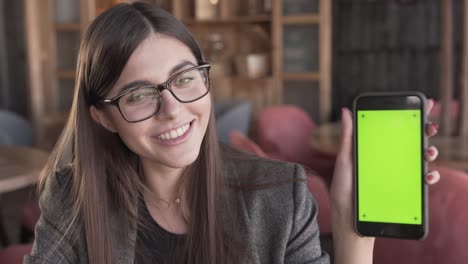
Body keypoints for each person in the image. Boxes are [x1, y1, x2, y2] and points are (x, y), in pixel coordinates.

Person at [24, 3, 440, 264]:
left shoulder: (282, 198)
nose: (173, 110)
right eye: (139, 94)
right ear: (102, 117)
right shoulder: (72, 196)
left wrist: (352, 233)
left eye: (184, 79)